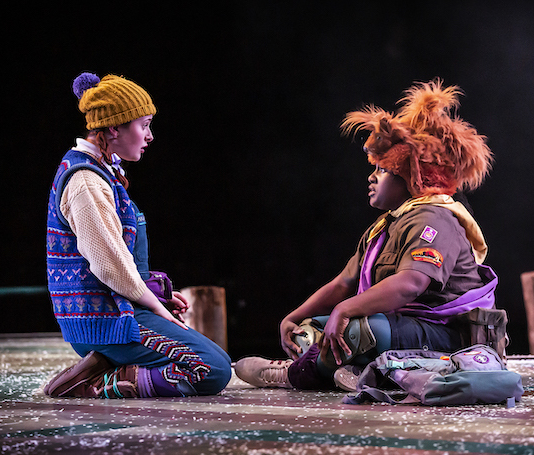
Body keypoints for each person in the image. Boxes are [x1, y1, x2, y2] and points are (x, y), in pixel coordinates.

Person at [235, 79, 498, 391]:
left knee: (356, 331)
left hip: (444, 334)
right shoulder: (387, 225)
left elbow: (410, 284)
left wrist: (345, 309)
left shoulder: (435, 218)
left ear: (414, 175)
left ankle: (292, 375)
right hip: (401, 326)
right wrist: (293, 317)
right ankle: (347, 370)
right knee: (309, 330)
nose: (372, 177)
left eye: (383, 170)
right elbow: (343, 283)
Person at [44, 72, 232, 398]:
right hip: (104, 321)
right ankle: (95, 383)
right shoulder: (86, 180)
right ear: (114, 128)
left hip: (117, 312)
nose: (149, 135)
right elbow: (109, 265)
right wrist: (155, 308)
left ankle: (102, 366)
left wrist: (153, 294)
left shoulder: (104, 172)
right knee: (211, 368)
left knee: (218, 361)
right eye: (143, 125)